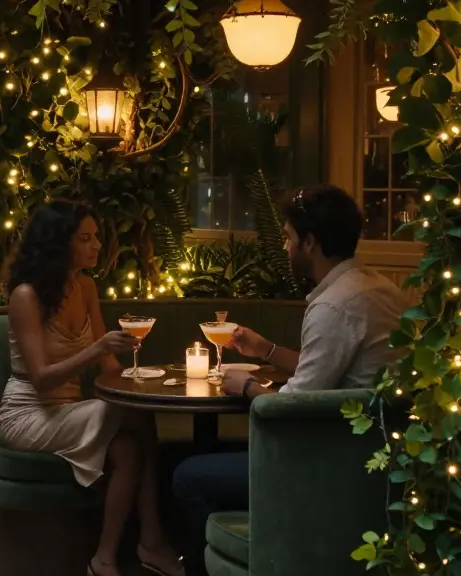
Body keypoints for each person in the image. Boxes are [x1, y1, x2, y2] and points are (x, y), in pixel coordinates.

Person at [171, 185, 408, 576]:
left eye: (288, 237)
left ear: (310, 243)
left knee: (187, 476)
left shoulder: (333, 306)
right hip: (378, 456)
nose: (285, 247)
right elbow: (330, 371)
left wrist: (245, 387)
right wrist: (266, 349)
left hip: (329, 464)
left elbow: (291, 412)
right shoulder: (379, 289)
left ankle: (268, 552)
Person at [0, 201, 183, 576]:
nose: (97, 245)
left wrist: (149, 378)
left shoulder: (85, 286)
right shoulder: (26, 296)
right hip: (28, 413)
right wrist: (97, 349)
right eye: (85, 238)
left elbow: (110, 366)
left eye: (96, 237)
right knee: (135, 418)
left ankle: (104, 559)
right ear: (58, 244)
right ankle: (151, 540)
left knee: (129, 448)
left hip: (70, 410)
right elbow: (41, 377)